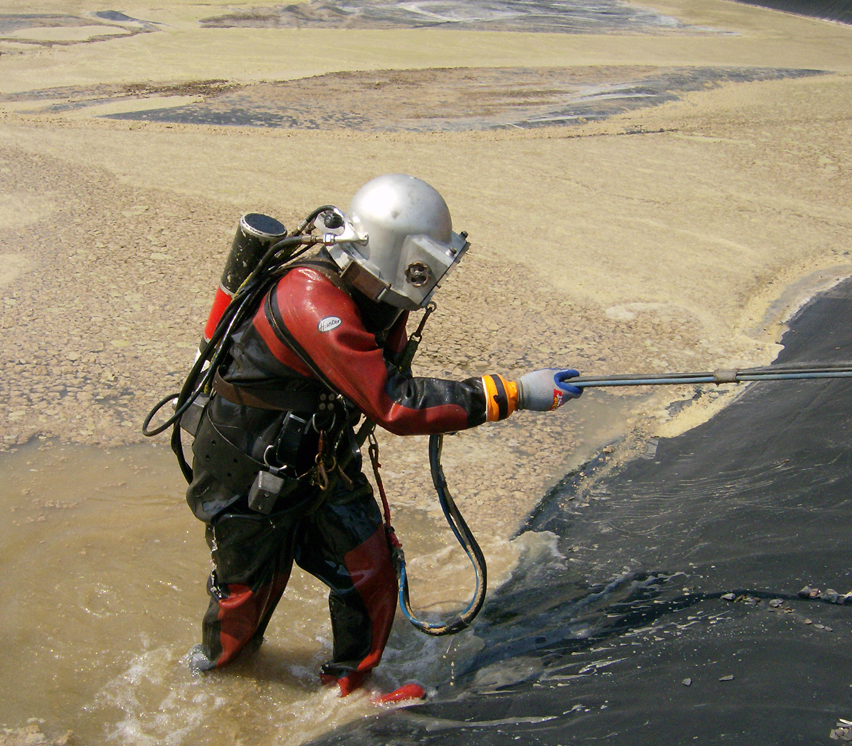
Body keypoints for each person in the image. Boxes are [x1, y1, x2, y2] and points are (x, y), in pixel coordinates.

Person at [185, 174, 583, 696]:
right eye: (426, 267)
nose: (430, 280)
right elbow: (394, 402)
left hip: (320, 453)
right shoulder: (312, 302)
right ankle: (217, 687)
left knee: (371, 571)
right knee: (246, 600)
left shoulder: (376, 289)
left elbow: (383, 371)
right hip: (246, 464)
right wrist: (509, 393)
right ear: (399, 256)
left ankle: (348, 692)